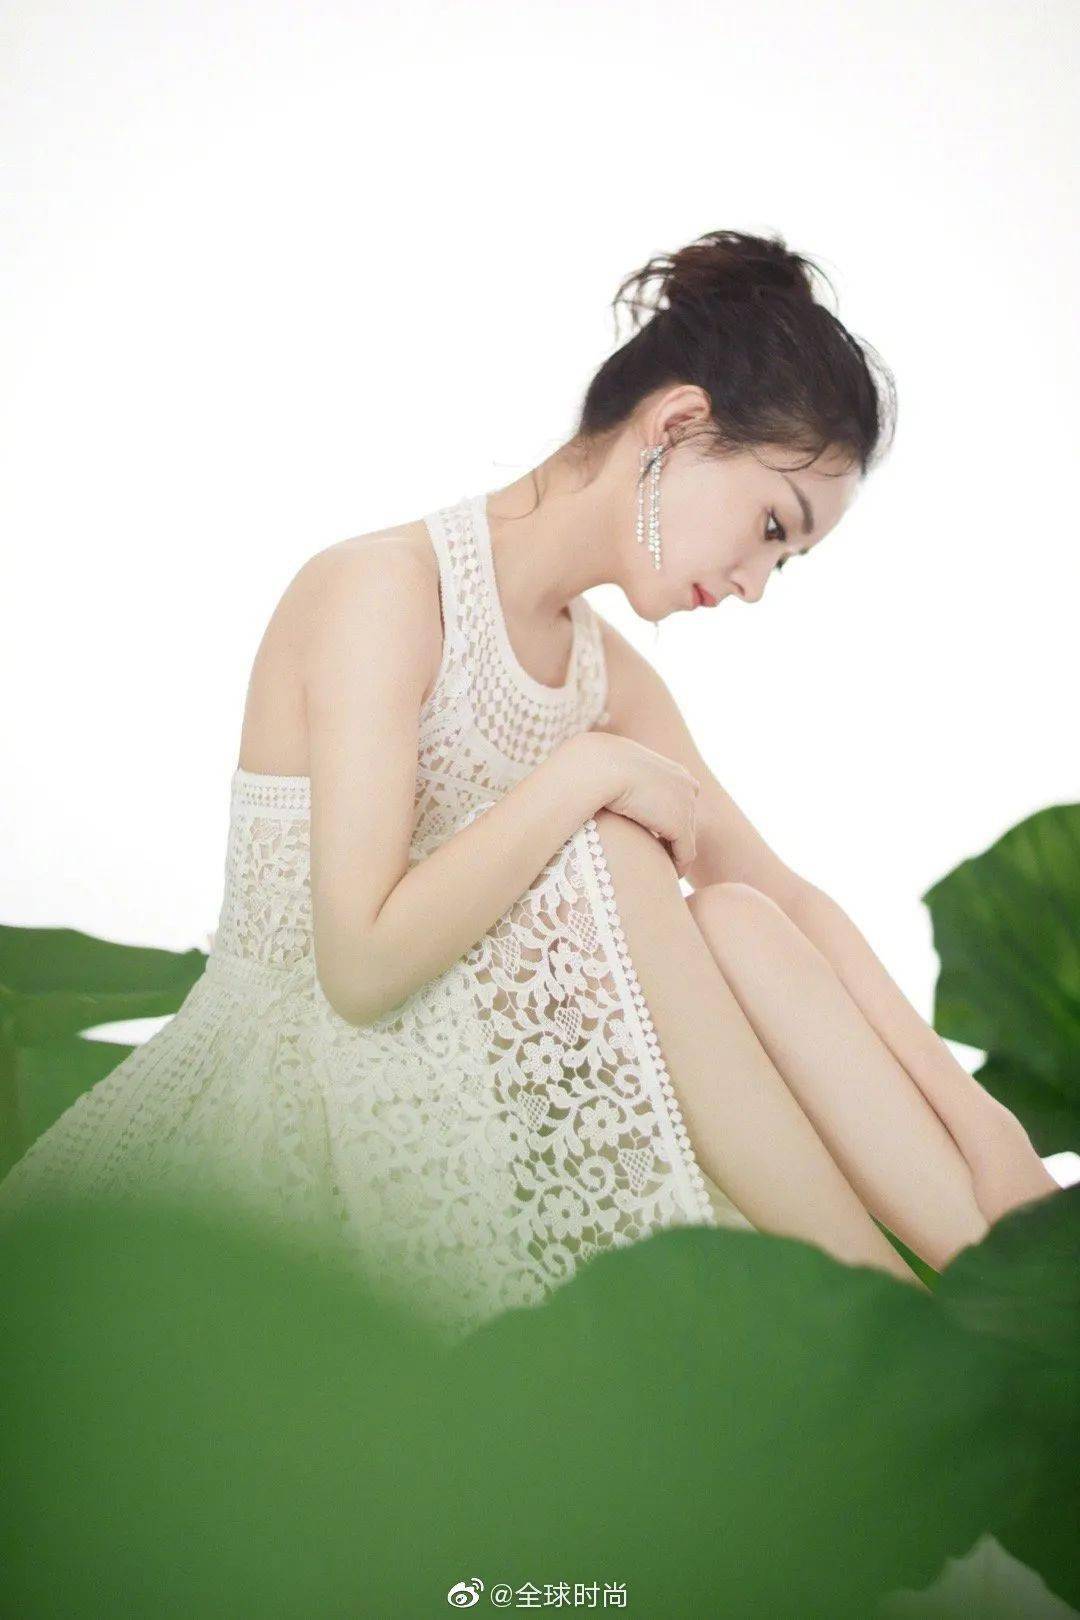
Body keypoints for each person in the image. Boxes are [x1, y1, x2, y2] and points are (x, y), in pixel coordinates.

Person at [0, 228, 1059, 1339]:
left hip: (473, 1093)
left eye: (783, 561)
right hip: (298, 1092)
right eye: (768, 528)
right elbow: (357, 970)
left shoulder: (607, 675)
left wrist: (984, 1126)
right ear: (677, 424)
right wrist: (585, 774)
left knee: (742, 917)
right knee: (612, 847)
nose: (755, 583)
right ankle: (892, 1323)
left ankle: (1001, 1294)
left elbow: (782, 896)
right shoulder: (385, 592)